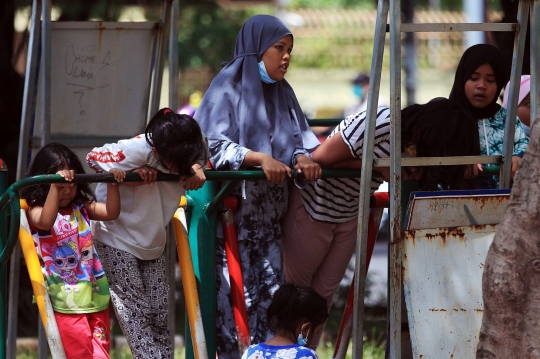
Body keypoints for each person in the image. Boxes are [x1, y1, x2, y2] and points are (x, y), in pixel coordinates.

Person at [282, 99, 481, 349]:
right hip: (314, 210)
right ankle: (283, 353)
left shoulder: (414, 149)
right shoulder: (378, 124)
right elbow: (319, 159)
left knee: (321, 303)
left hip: (349, 215)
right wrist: (384, 166)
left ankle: (304, 354)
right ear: (426, 132)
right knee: (296, 296)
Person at [194, 14, 322, 359]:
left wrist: (302, 158)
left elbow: (298, 140)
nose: (286, 57)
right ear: (256, 50)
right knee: (230, 310)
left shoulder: (284, 93)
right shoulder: (225, 89)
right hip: (228, 226)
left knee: (270, 308)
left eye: (290, 50)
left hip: (269, 227)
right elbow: (207, 144)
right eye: (279, 48)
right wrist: (257, 158)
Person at [86, 108, 208, 359]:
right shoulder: (138, 149)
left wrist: (196, 166)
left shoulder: (192, 147)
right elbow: (93, 158)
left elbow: (205, 156)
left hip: (153, 237)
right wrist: (127, 175)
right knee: (135, 313)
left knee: (159, 311)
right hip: (116, 236)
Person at [21, 143, 123, 359]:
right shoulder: (35, 210)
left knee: (101, 355)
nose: (67, 189)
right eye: (61, 185)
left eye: (71, 183)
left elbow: (111, 212)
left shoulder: (80, 207)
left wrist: (113, 183)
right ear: (45, 182)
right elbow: (46, 222)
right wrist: (54, 187)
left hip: (95, 294)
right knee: (80, 355)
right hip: (66, 301)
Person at [449, 44, 529, 189]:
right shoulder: (446, 119)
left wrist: (519, 157)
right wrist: (458, 161)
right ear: (462, 78)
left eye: (490, 80)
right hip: (454, 205)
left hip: (503, 203)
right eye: (474, 78)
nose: (482, 85)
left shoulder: (507, 119)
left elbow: (524, 144)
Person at [241, 283, 328, 359]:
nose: (315, 337)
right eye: (317, 332)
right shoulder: (306, 355)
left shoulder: (249, 353)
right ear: (305, 328)